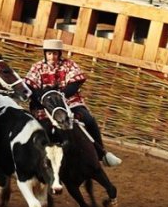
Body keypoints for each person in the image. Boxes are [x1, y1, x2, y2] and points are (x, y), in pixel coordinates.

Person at [25, 39, 121, 167]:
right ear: (45, 54)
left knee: (88, 119)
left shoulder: (69, 64)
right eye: (49, 53)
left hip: (70, 103)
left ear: (59, 54)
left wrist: (61, 95)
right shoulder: (37, 67)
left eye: (55, 54)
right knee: (38, 128)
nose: (52, 57)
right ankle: (35, 159)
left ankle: (101, 153)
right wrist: (44, 99)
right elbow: (30, 85)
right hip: (46, 106)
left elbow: (75, 83)